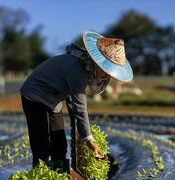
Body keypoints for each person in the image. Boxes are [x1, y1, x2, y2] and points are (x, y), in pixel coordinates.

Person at [20, 31, 133, 172]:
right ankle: (39, 177)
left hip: (53, 100)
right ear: (98, 63)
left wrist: (81, 135)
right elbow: (80, 108)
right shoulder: (78, 69)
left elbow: (73, 104)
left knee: (59, 143)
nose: (106, 75)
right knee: (41, 145)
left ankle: (60, 176)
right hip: (35, 96)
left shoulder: (85, 67)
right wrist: (89, 140)